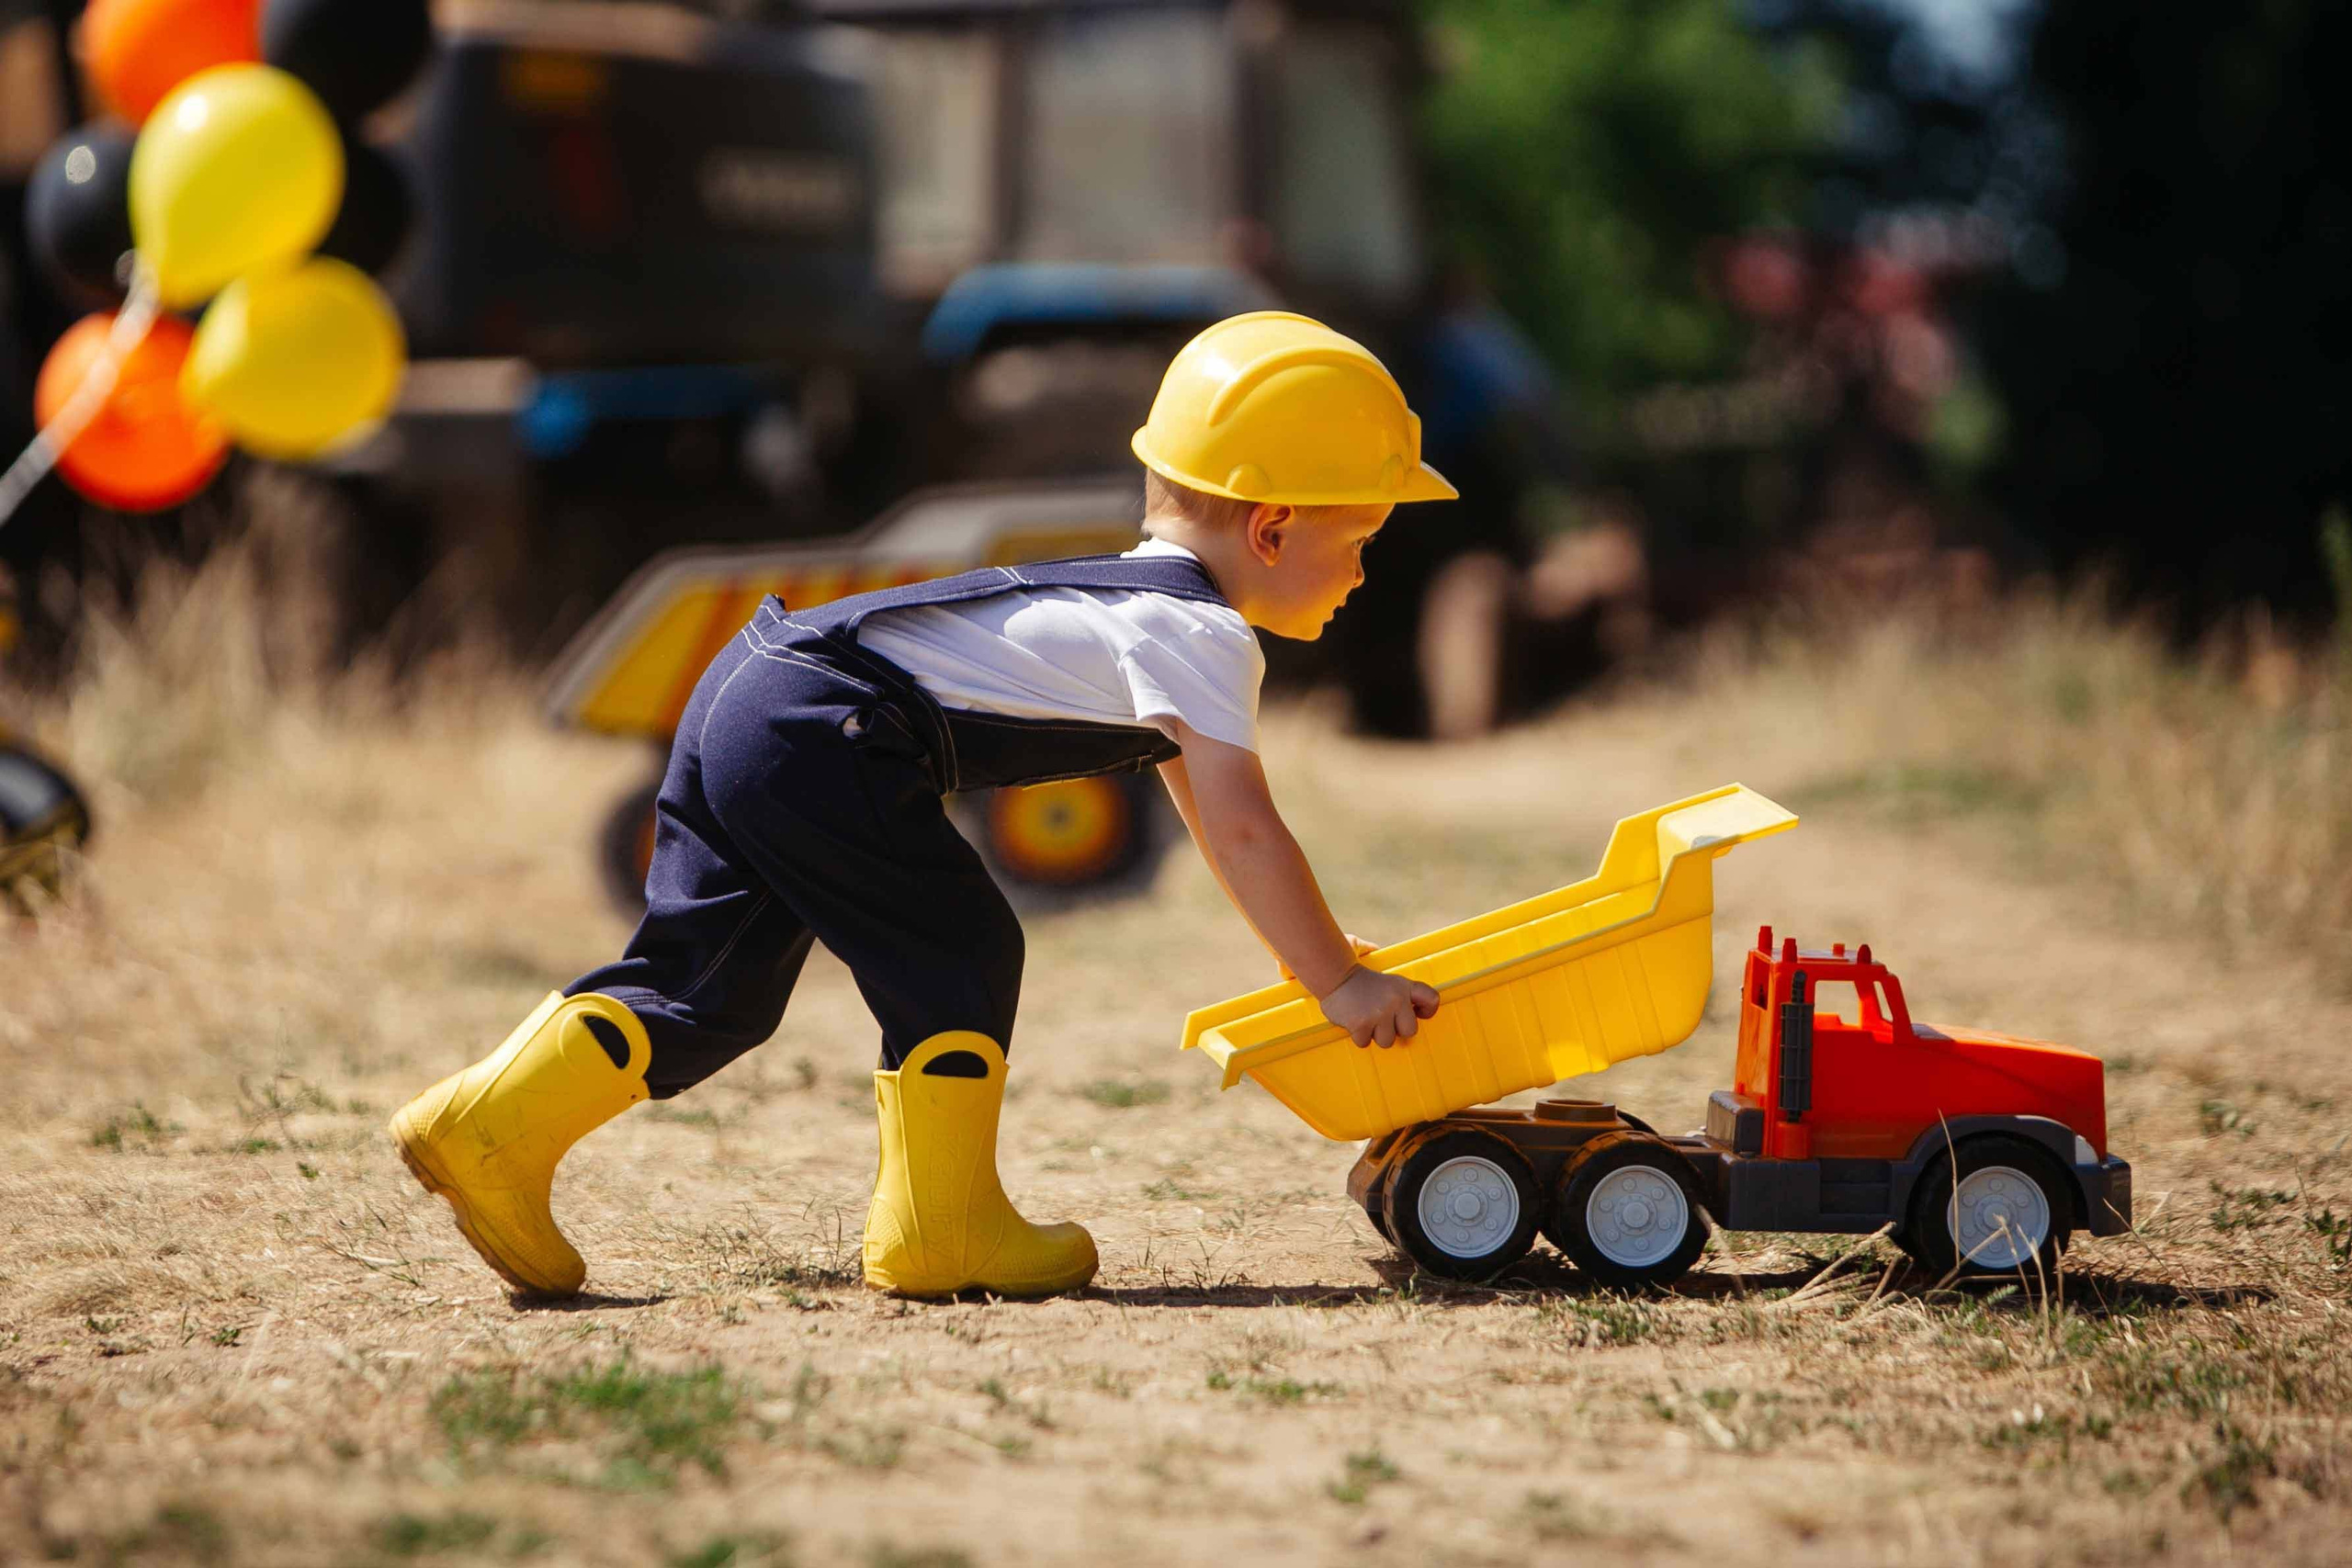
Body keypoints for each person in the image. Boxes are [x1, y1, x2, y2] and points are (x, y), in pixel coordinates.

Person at [388, 312, 1449, 1301]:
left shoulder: (1143, 615)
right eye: (1358, 540)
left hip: (759, 691)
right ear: (1269, 529)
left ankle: (490, 1128)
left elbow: (1209, 822)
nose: (1361, 574)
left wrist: (1303, 957)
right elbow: (1245, 823)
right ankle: (939, 1228)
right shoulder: (1202, 636)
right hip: (826, 725)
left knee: (712, 986)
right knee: (960, 948)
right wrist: (1339, 981)